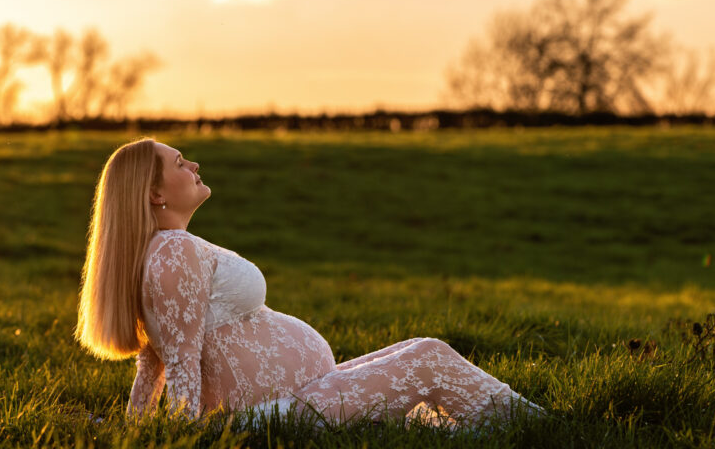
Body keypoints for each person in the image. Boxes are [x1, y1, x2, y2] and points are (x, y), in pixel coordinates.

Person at [75, 137, 545, 429]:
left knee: (420, 349)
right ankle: (547, 432)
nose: (193, 166)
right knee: (429, 359)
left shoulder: (167, 249)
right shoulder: (173, 252)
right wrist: (184, 442)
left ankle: (503, 428)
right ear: (155, 193)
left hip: (297, 398)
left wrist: (135, 428)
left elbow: (153, 356)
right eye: (179, 163)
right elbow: (177, 363)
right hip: (273, 417)